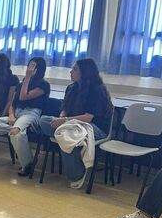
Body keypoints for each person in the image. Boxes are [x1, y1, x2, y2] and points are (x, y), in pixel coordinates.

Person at [39, 58, 113, 189]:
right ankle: (76, 168)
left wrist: (64, 121)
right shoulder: (72, 88)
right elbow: (65, 108)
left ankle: (76, 174)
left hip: (94, 128)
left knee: (67, 134)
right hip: (71, 125)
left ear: (85, 72)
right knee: (44, 120)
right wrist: (62, 117)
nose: (71, 72)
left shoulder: (97, 90)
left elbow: (88, 117)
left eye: (75, 69)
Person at [0, 57, 50, 176]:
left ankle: (27, 164)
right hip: (17, 113)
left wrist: (28, 78)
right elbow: (13, 103)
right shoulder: (22, 83)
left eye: (33, 66)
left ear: (39, 69)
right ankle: (20, 129)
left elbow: (23, 97)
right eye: (29, 65)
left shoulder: (44, 85)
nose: (29, 68)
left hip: (31, 113)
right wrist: (11, 115)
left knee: (15, 133)